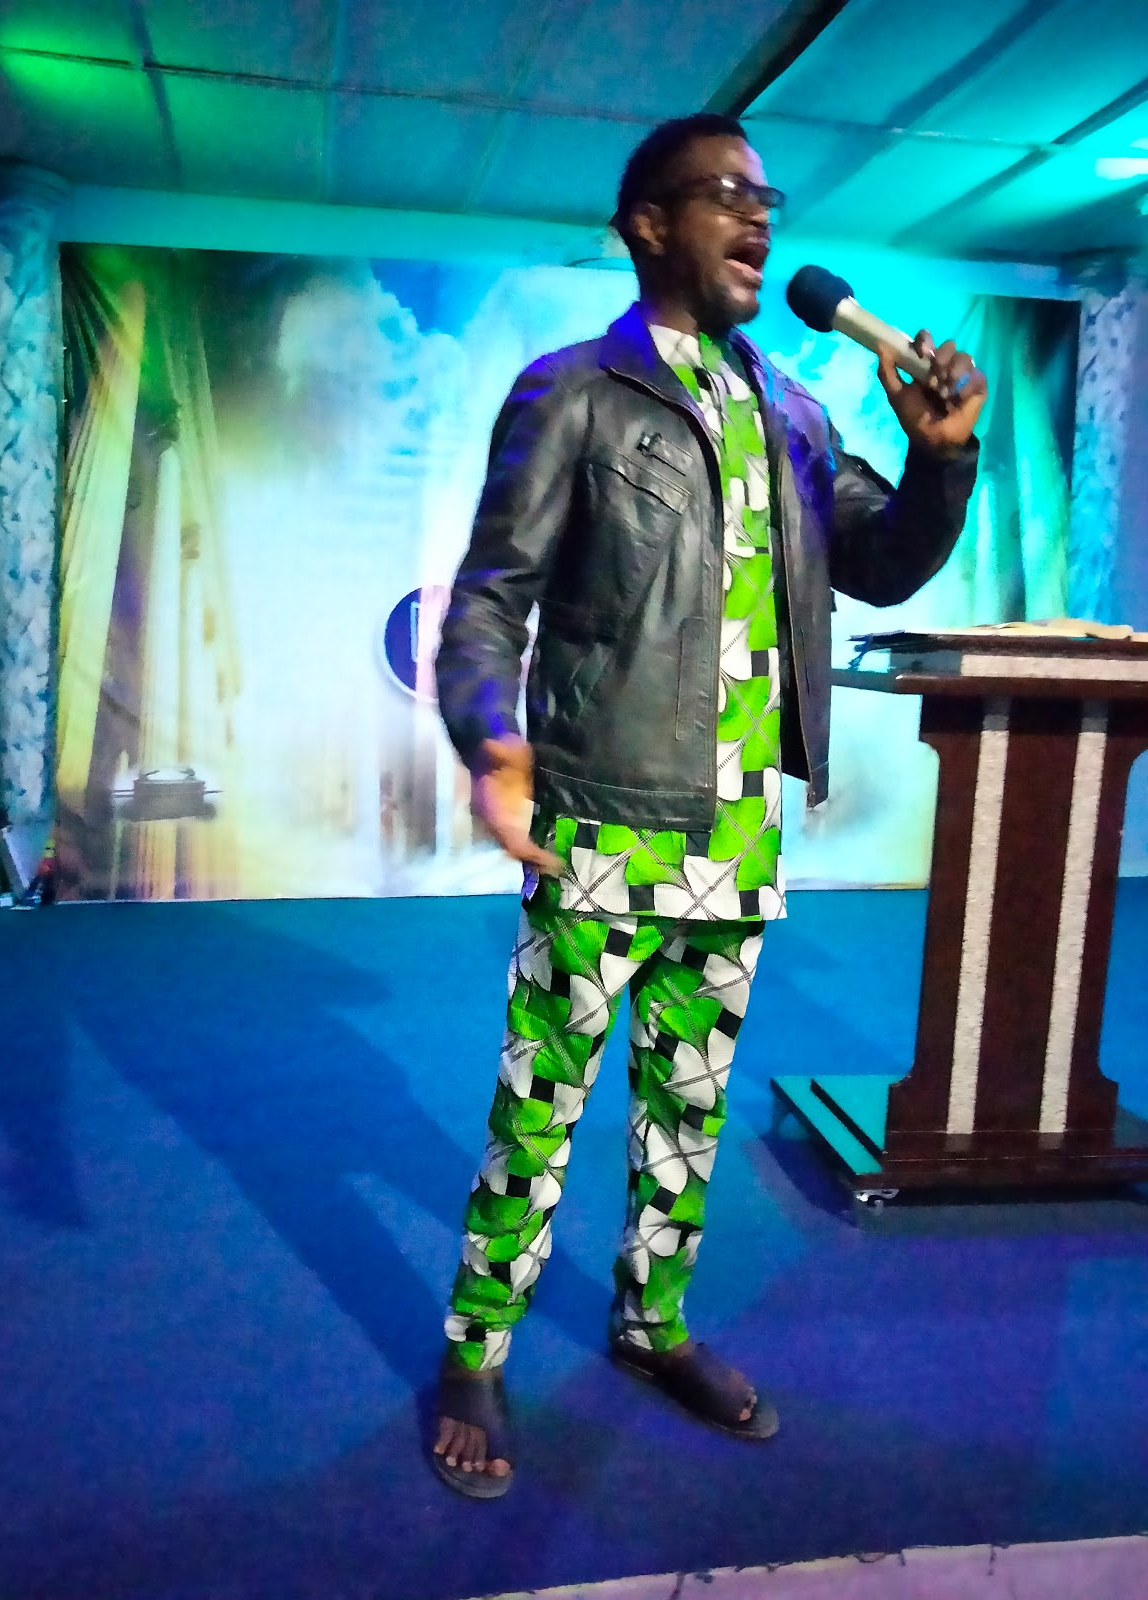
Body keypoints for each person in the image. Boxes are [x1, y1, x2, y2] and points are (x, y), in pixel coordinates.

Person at [430, 113, 987, 1498]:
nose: (758, 218)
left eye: (766, 197)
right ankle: (477, 1351)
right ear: (647, 224)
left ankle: (652, 1328)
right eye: (726, 194)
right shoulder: (573, 393)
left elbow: (883, 564)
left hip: (740, 831)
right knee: (541, 1111)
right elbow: (489, 601)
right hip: (603, 816)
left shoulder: (792, 411)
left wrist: (940, 461)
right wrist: (492, 742)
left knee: (686, 1111)